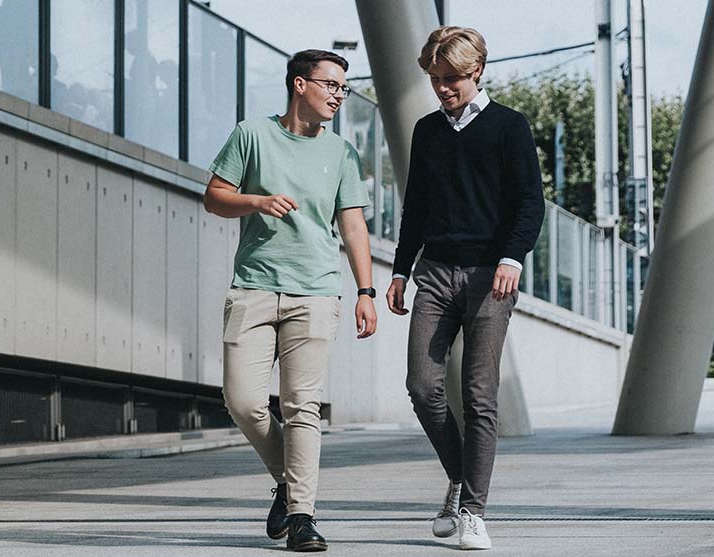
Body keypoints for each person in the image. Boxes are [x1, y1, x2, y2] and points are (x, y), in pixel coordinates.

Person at [203, 49, 376, 553]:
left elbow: (353, 225)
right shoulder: (252, 134)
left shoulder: (343, 153)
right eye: (331, 85)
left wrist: (365, 291)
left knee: (303, 407)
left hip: (316, 291)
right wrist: (256, 200)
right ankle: (287, 479)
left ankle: (302, 514)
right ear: (300, 85)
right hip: (254, 287)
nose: (339, 95)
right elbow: (214, 196)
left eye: (345, 88)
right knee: (243, 401)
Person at [385, 26, 544, 551]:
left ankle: (474, 511)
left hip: (489, 276)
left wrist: (510, 258)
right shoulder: (428, 131)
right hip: (433, 272)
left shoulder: (509, 127)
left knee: (478, 395)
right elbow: (416, 208)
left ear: (476, 71)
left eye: (451, 78)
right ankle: (458, 478)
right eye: (435, 79)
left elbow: (529, 203)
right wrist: (401, 270)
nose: (442, 88)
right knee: (421, 387)